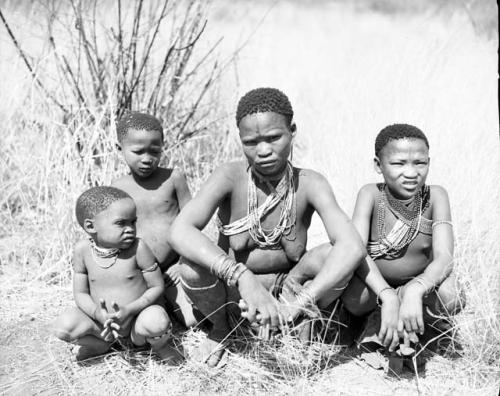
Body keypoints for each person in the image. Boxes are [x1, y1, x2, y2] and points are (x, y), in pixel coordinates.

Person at [168, 87, 366, 367]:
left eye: (274, 138)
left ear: (292, 131)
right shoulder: (229, 177)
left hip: (289, 291)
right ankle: (222, 328)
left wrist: (299, 302)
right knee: (190, 265)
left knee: (331, 254)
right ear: (240, 140)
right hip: (234, 292)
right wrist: (240, 276)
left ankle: (297, 321)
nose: (263, 151)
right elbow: (179, 231)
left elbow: (351, 246)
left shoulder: (310, 183)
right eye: (251, 142)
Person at [342, 124, 464, 358]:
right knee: (353, 300)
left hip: (420, 285)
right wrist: (387, 295)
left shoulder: (436, 196)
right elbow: (356, 251)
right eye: (398, 163)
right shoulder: (370, 194)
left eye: (420, 163)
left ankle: (409, 322)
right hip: (375, 287)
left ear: (429, 162)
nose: (410, 172)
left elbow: (445, 257)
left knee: (453, 295)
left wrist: (415, 291)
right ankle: (378, 319)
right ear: (378, 165)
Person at [52, 186, 182, 363]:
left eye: (133, 222)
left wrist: (129, 310)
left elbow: (157, 286)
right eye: (121, 223)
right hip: (103, 327)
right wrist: (97, 313)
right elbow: (80, 293)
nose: (130, 229)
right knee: (64, 327)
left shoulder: (139, 248)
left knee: (157, 321)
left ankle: (159, 346)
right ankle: (101, 345)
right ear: (90, 226)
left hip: (137, 325)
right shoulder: (82, 251)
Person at [112, 112, 198, 328]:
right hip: (141, 272)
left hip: (174, 267)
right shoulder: (118, 187)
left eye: (155, 151)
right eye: (138, 151)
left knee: (191, 321)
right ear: (119, 148)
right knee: (142, 320)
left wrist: (183, 261)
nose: (147, 158)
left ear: (163, 146)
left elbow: (192, 221)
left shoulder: (173, 178)